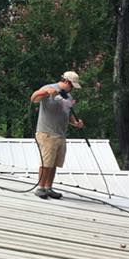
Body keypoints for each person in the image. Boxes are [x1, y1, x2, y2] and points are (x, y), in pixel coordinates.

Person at [29, 70, 84, 199]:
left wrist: (76, 123)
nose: (72, 89)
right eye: (71, 86)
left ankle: (48, 187)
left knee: (54, 163)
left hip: (60, 134)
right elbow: (33, 98)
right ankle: (40, 187)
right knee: (46, 162)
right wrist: (45, 92)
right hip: (47, 133)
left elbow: (68, 113)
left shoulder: (68, 97)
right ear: (66, 81)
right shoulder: (49, 88)